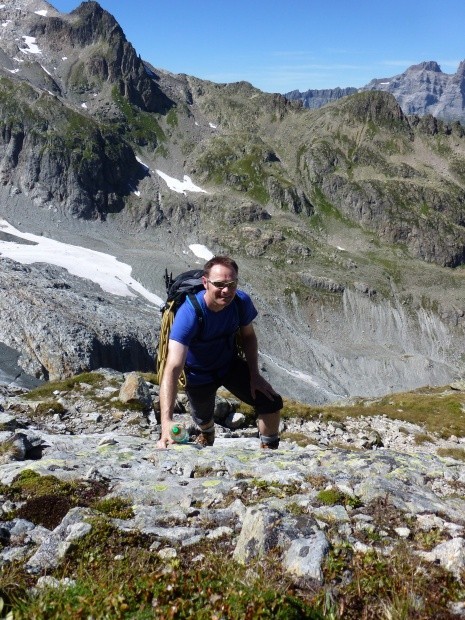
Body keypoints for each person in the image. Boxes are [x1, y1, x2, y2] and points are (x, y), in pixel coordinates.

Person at [157, 255, 283, 449]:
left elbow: (249, 336)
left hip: (228, 365)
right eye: (219, 284)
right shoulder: (189, 314)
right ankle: (207, 433)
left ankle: (269, 452)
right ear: (205, 283)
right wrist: (166, 422)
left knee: (271, 402)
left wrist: (254, 375)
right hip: (198, 376)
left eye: (232, 284)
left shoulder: (240, 302)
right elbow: (172, 367)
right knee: (204, 420)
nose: (226, 291)